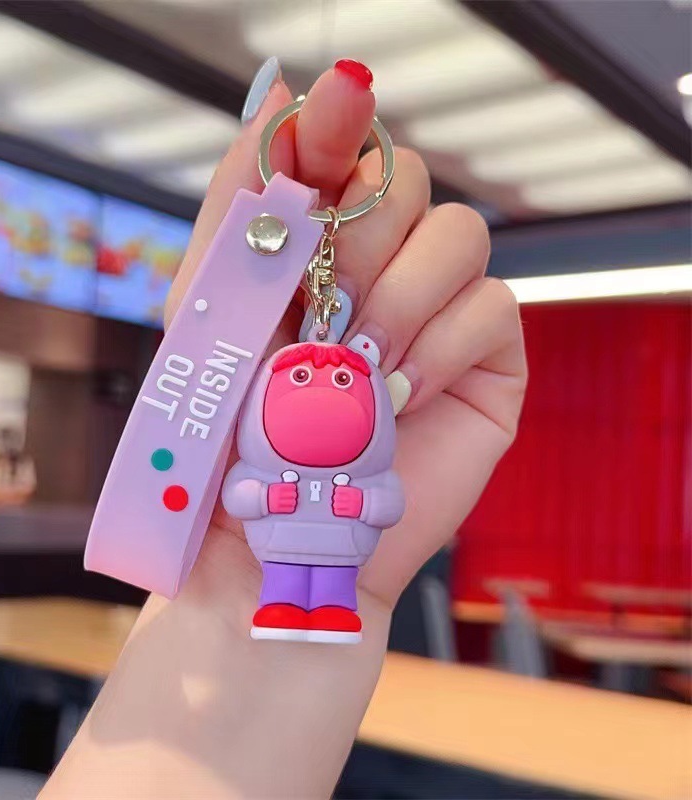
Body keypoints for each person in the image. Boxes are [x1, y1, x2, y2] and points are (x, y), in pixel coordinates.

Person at [41, 59, 526, 799]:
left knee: (323, 593)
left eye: (340, 383)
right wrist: (240, 557)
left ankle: (320, 608)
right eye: (299, 380)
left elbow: (381, 500)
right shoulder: (264, 454)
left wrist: (346, 505)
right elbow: (244, 492)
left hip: (330, 562)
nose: (321, 391)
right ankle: (288, 604)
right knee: (293, 588)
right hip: (280, 550)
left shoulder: (361, 460)